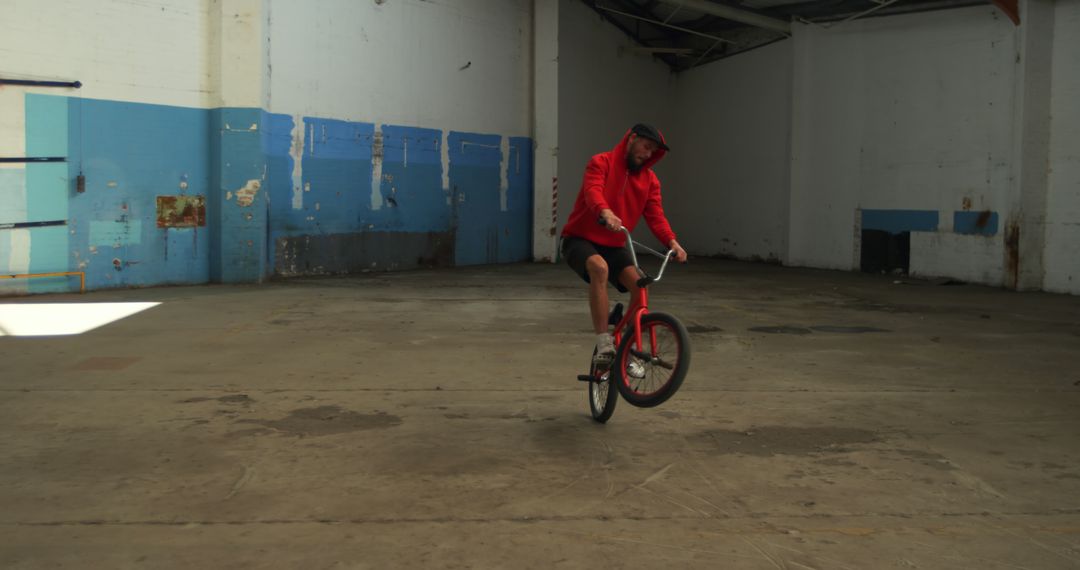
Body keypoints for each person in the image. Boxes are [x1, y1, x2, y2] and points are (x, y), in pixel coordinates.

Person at [561, 123, 687, 369]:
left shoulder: (650, 181)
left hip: (614, 244)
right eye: (645, 147)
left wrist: (672, 242)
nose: (648, 154)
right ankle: (604, 343)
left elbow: (656, 216)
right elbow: (592, 191)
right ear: (632, 139)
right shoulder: (601, 162)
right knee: (599, 268)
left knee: (640, 287)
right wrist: (605, 211)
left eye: (653, 152)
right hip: (579, 239)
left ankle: (628, 344)